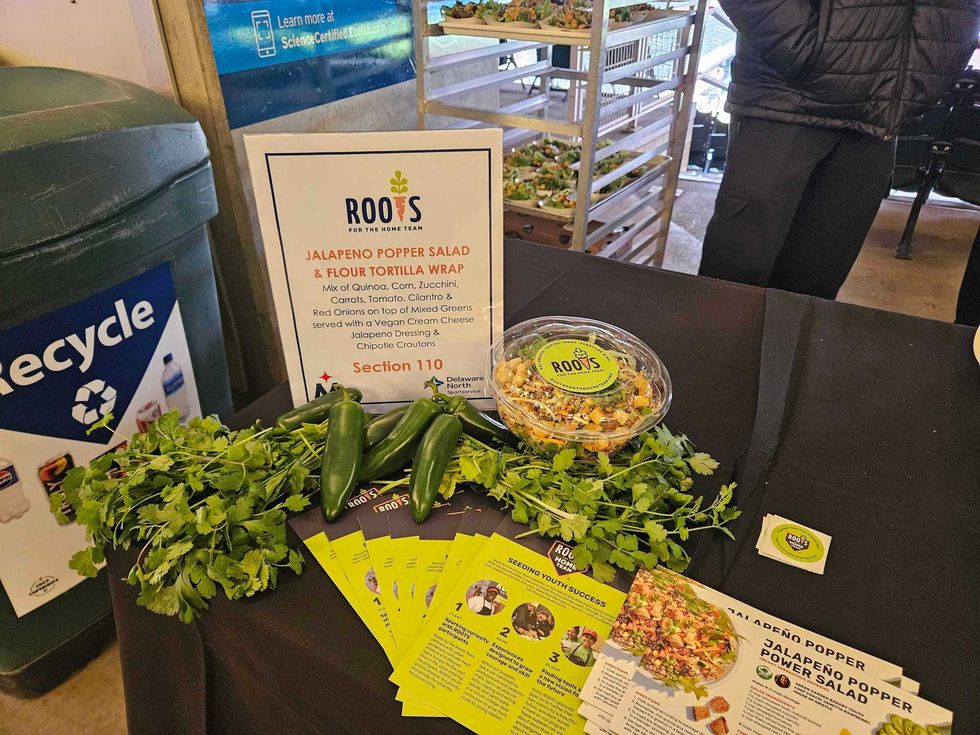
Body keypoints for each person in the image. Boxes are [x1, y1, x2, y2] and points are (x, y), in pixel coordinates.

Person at [699, 0, 980, 300]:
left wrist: (938, 61)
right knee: (732, 286)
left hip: (883, 109)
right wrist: (805, 45)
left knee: (814, 291)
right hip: (788, 97)